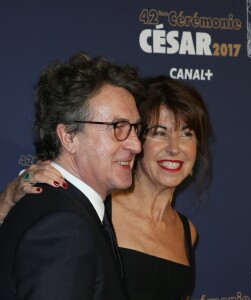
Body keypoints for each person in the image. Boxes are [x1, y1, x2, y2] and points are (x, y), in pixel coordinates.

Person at [0, 75, 211, 299]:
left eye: (187, 133)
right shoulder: (95, 210)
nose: (174, 148)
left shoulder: (187, 232)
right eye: (159, 132)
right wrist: (5, 202)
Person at [0, 52, 144, 299]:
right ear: (69, 137)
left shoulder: (68, 208)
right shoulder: (63, 225)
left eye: (135, 128)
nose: (136, 145)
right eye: (118, 128)